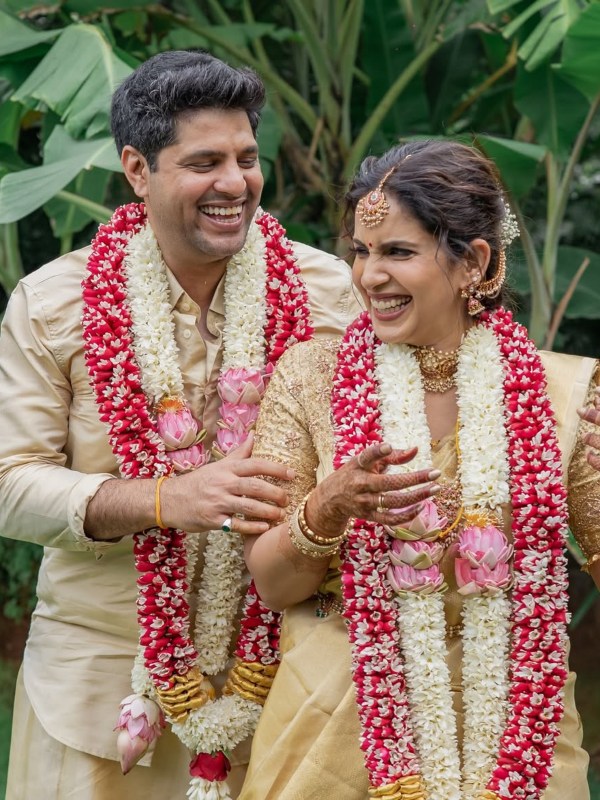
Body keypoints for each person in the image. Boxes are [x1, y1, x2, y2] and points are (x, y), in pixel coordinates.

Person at [0, 50, 370, 800]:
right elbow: (9, 486)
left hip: (289, 676)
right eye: (204, 162)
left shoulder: (331, 293)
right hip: (102, 687)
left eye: (245, 157)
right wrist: (166, 499)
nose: (234, 184)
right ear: (138, 169)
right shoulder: (54, 303)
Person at [238, 139, 599, 800]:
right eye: (361, 251)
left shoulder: (558, 392)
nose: (370, 276)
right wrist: (329, 505)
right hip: (334, 731)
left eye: (398, 252)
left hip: (523, 736)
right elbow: (270, 584)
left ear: (474, 263)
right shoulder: (312, 377)